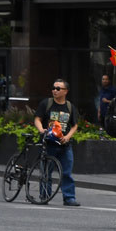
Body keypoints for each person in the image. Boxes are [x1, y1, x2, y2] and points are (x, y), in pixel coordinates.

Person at [32, 78, 81, 206]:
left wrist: (68, 136)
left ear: (66, 91)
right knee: (46, 172)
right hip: (49, 143)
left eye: (58, 89)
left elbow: (75, 125)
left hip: (64, 145)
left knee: (66, 172)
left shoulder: (70, 107)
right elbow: (37, 118)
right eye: (53, 88)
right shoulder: (46, 103)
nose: (55, 91)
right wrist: (41, 129)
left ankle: (69, 197)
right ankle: (44, 196)